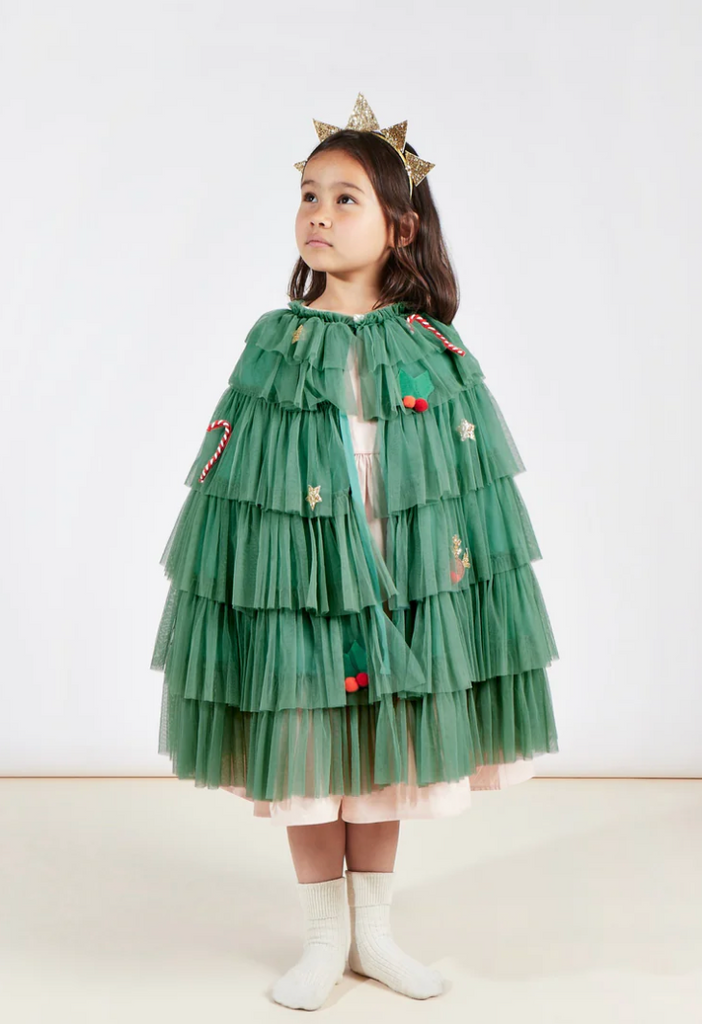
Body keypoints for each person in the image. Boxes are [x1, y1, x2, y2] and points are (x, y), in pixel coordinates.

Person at [150, 93, 560, 1011]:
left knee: (386, 750)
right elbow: (240, 474)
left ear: (400, 226)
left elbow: (467, 487)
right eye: (307, 195)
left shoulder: (432, 348)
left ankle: (373, 934)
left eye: (344, 199)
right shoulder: (276, 341)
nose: (318, 215)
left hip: (404, 578)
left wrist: (442, 582)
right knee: (306, 750)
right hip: (300, 582)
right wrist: (256, 576)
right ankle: (323, 938)